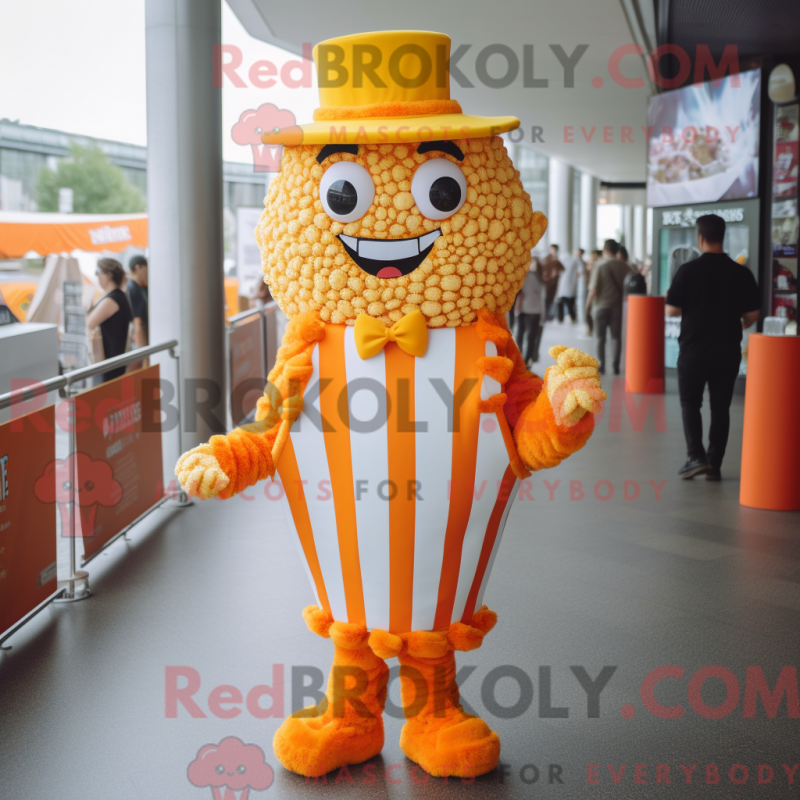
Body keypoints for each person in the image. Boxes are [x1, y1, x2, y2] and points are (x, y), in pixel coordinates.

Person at [666, 214, 760, 481]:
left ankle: (695, 457)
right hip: (727, 350)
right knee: (720, 407)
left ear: (700, 238)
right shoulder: (741, 272)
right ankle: (714, 463)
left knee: (690, 403)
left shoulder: (688, 271)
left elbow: (672, 310)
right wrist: (740, 322)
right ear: (723, 236)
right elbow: (752, 314)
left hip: (693, 349)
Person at [585, 239, 631, 375]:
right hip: (618, 308)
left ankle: (601, 365)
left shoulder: (600, 265)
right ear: (617, 251)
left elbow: (593, 290)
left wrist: (587, 307)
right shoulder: (625, 267)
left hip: (601, 307)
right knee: (616, 337)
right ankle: (615, 365)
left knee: (600, 337)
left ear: (605, 250)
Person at [86, 258, 133, 384]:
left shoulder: (113, 299)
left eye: (97, 273)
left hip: (110, 363)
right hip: (113, 361)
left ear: (108, 275)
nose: (97, 277)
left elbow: (89, 323)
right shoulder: (116, 296)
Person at [514, 256, 545, 365]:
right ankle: (524, 359)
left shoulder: (535, 278)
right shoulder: (524, 277)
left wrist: (542, 315)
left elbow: (542, 297)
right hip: (523, 310)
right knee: (523, 335)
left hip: (532, 310)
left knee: (527, 336)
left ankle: (526, 359)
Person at [127, 255, 149, 349]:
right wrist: (144, 351)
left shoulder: (140, 287)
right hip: (142, 339)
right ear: (138, 267)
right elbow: (137, 323)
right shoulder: (133, 289)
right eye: (146, 267)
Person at [556, 247, 580, 323]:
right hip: (570, 287)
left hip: (564, 287)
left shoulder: (562, 261)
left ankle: (561, 318)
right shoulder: (573, 261)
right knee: (570, 304)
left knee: (563, 303)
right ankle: (572, 318)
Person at [543, 244, 564, 320]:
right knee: (546, 299)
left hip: (554, 283)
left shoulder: (556, 260)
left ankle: (549, 315)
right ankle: (546, 315)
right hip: (547, 283)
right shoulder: (546, 259)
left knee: (551, 299)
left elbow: (562, 269)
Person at [584, 249, 602, 336]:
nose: (592, 257)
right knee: (588, 310)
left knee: (589, 309)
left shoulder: (599, 265)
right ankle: (590, 328)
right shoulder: (591, 264)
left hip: (595, 290)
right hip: (590, 289)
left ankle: (592, 329)